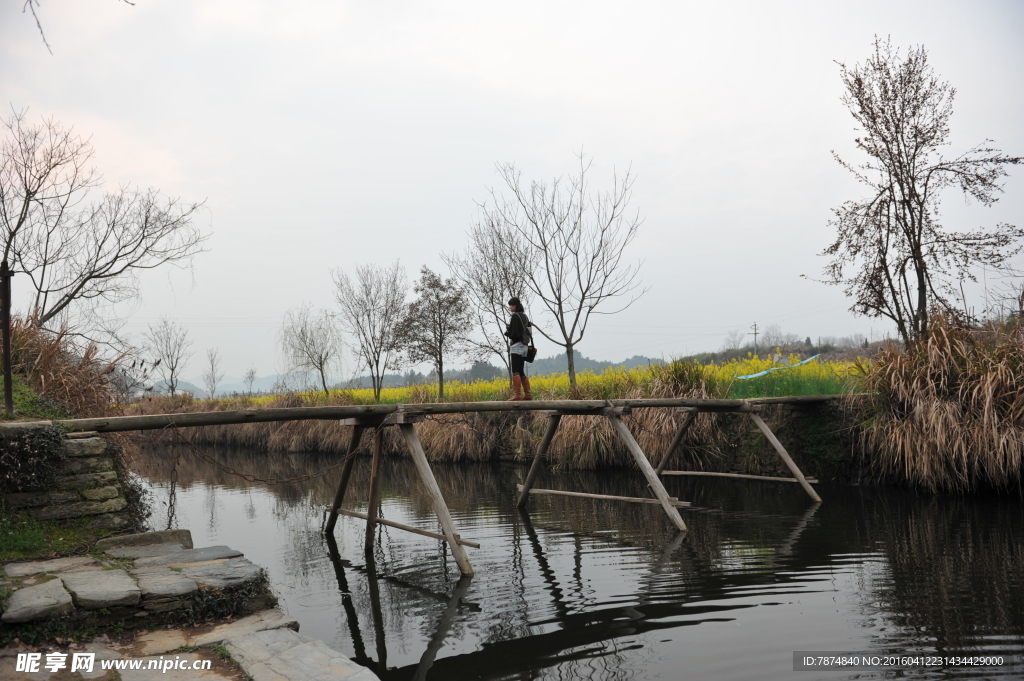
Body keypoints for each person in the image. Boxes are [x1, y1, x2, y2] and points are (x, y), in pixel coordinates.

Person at [504, 296, 533, 401]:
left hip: (516, 346)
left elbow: (513, 334)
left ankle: (518, 394)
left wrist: (507, 332)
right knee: (521, 370)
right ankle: (528, 394)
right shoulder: (525, 316)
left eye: (510, 305)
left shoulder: (515, 316)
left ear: (515, 306)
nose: (509, 308)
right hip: (525, 346)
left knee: (515, 370)